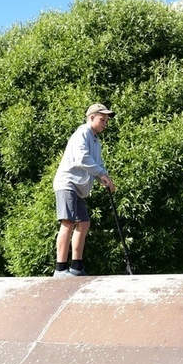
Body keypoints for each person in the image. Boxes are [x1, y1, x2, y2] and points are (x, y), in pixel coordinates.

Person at [52, 103, 117, 276]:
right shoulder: (82, 133)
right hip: (68, 183)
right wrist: (101, 174)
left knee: (84, 223)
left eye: (106, 121)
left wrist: (106, 179)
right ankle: (60, 269)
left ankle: (77, 266)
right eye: (102, 119)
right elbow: (82, 158)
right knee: (68, 222)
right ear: (91, 118)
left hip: (78, 188)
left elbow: (98, 164)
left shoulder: (95, 140)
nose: (105, 123)